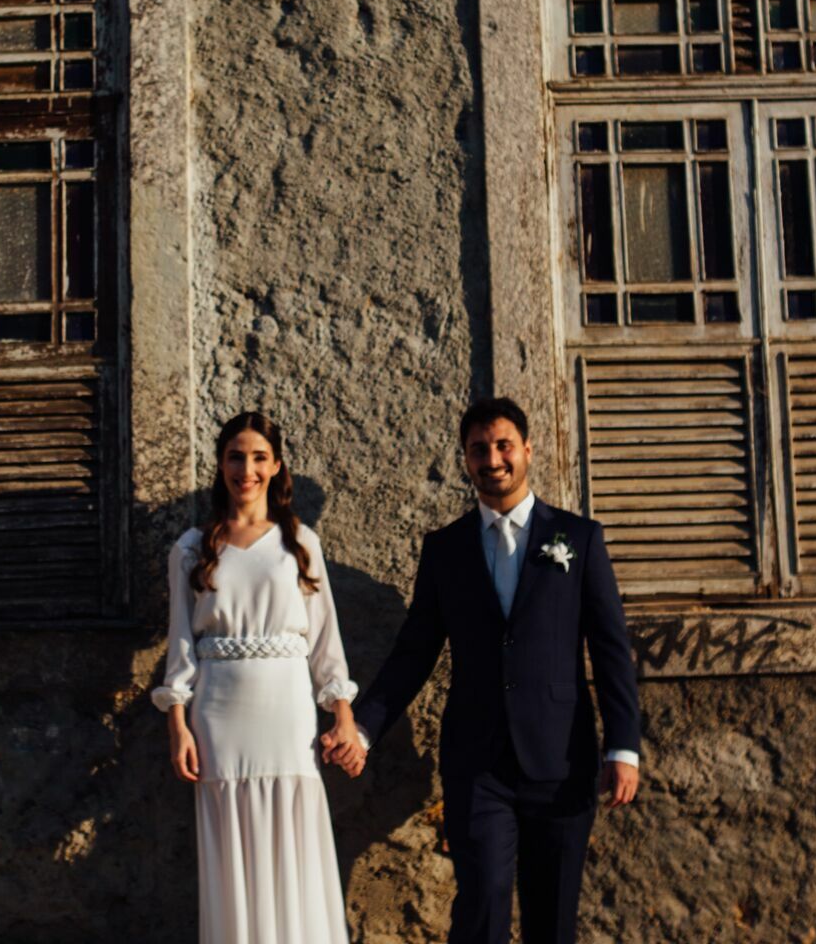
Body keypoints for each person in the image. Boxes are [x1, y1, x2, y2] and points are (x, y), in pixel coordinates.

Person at [329, 396, 641, 944]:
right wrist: (365, 726)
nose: (492, 459)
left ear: (528, 450)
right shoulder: (444, 549)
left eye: (503, 446)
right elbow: (414, 652)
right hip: (478, 765)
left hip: (561, 759)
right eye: (478, 449)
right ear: (466, 459)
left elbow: (611, 649)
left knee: (552, 919)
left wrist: (623, 747)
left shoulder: (579, 538)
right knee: (482, 905)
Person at [152, 410, 361, 944]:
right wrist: (177, 724)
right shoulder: (191, 548)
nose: (247, 470)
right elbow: (180, 644)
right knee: (232, 855)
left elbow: (325, 639)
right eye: (236, 457)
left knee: (294, 843)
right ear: (221, 465)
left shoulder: (301, 543)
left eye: (259, 458)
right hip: (218, 717)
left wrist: (342, 715)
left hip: (287, 715)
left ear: (277, 466)